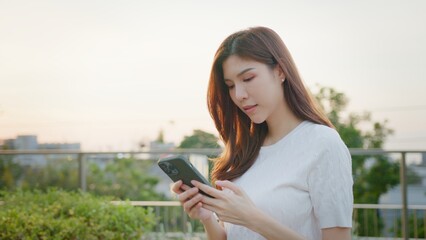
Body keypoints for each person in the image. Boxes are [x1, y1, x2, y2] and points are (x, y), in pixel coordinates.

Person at [171, 26, 353, 240]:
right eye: (230, 85)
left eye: (248, 79)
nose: (239, 95)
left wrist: (251, 217)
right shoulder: (243, 150)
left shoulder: (322, 144)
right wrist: (207, 216)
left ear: (280, 70)